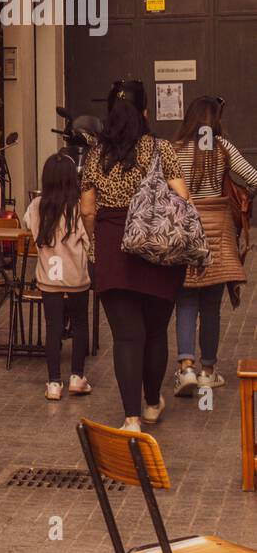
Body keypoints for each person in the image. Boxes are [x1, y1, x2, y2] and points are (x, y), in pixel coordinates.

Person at [80, 79, 191, 432]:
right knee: (156, 332)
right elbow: (183, 198)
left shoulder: (97, 154)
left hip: (114, 248)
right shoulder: (161, 149)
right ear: (145, 113)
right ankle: (153, 402)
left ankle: (130, 419)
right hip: (158, 247)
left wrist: (94, 241)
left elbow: (86, 208)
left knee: (127, 336)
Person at [169, 95, 257, 396]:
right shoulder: (223, 149)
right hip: (218, 229)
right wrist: (242, 196)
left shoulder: (174, 150)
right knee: (210, 306)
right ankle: (208, 371)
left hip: (184, 229)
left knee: (185, 301)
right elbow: (255, 178)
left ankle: (186, 368)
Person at [24, 154, 91, 401]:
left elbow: (28, 228)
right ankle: (77, 377)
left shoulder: (36, 206)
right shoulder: (79, 206)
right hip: (76, 276)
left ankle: (53, 383)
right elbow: (88, 239)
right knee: (80, 323)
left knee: (52, 327)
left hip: (48, 278)